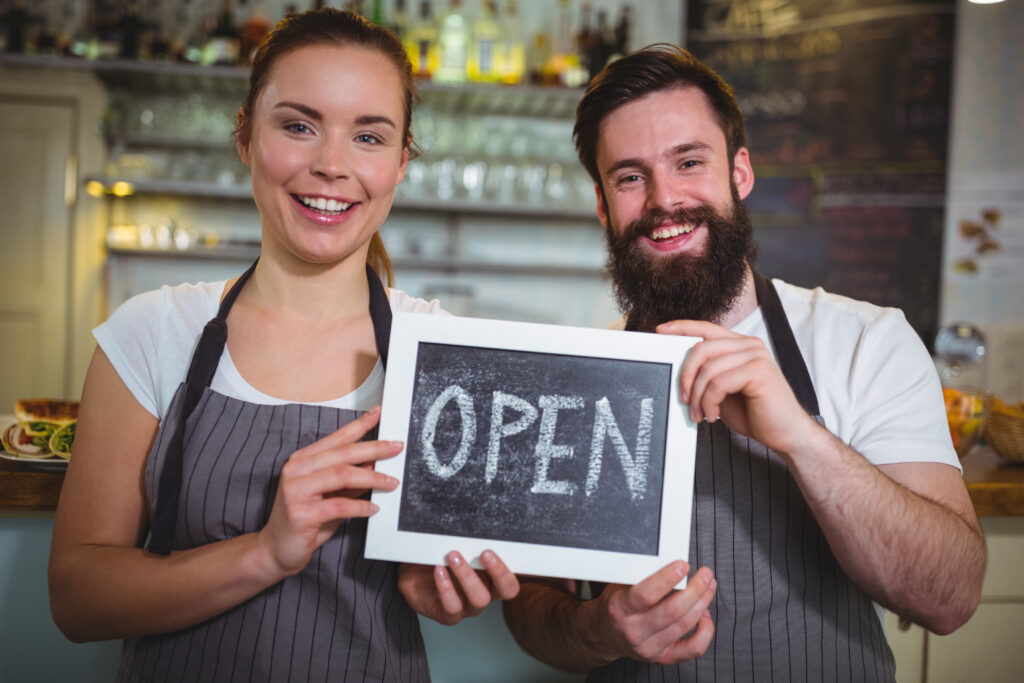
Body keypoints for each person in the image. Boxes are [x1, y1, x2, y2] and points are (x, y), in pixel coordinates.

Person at [47, 9, 517, 682]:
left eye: (369, 137)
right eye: (298, 125)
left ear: (402, 160)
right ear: (244, 135)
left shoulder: (446, 353)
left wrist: (440, 588)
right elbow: (76, 597)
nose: (331, 165)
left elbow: (444, 576)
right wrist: (266, 551)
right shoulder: (152, 331)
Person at [502, 44, 985, 682]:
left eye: (689, 161)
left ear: (740, 173)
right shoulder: (580, 379)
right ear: (602, 204)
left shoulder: (866, 341)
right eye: (629, 176)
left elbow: (949, 598)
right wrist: (596, 629)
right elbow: (534, 611)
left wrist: (801, 438)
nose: (663, 199)